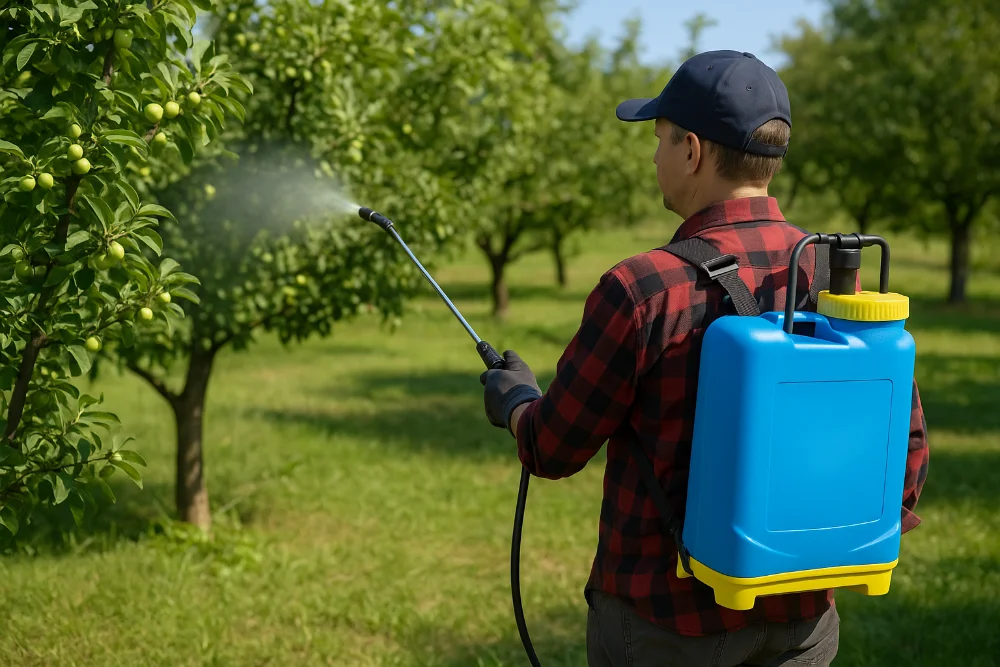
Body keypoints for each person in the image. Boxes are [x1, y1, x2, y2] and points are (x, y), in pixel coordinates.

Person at [480, 50, 930, 667]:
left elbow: (551, 449)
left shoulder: (642, 288)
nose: (655, 155)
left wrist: (516, 401)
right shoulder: (835, 273)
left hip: (664, 626)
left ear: (691, 151)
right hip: (804, 623)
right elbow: (904, 450)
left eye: (661, 139)